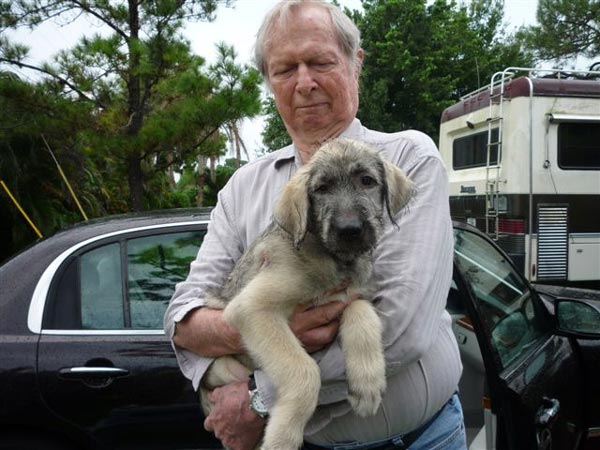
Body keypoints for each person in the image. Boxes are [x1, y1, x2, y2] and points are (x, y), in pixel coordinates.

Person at [164, 1, 466, 449]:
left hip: (424, 440)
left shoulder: (408, 158)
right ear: (270, 83)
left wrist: (260, 399)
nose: (305, 83)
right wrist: (251, 329)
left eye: (320, 62)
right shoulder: (242, 187)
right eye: (285, 69)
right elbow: (182, 318)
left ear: (355, 64)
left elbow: (401, 327)